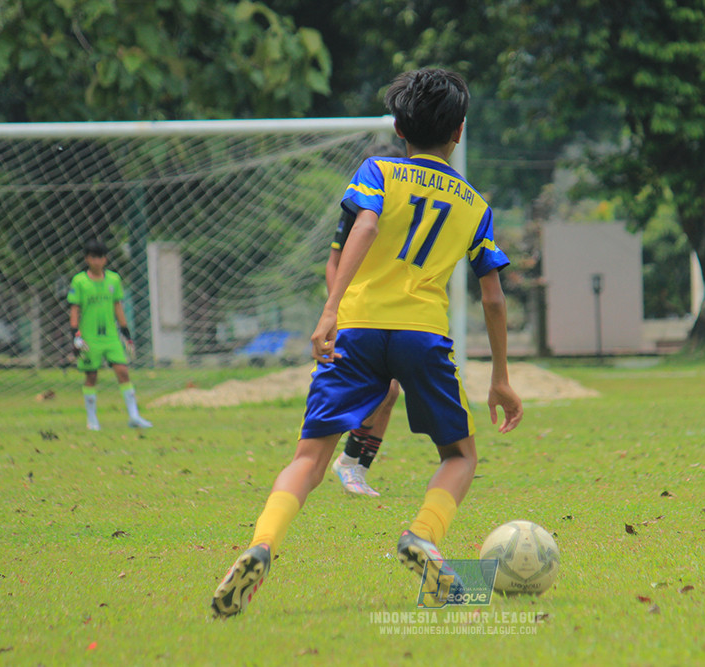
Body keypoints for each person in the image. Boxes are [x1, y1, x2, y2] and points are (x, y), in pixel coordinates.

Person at [211, 67, 523, 617]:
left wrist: (330, 309)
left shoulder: (377, 171)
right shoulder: (475, 205)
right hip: (423, 336)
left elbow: (366, 227)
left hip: (355, 331)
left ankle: (261, 545)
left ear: (399, 127)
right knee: (461, 455)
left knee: (308, 459)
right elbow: (493, 297)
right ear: (460, 131)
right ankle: (424, 535)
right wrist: (500, 376)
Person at [324, 148, 404, 498]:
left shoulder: (404, 211)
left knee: (392, 391)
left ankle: (356, 467)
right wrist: (336, 309)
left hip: (392, 309)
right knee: (381, 390)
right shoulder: (358, 211)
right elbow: (334, 262)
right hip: (358, 312)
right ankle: (343, 460)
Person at [67, 238, 153, 431]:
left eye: (100, 257)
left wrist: (126, 332)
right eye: (93, 257)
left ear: (105, 259)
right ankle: (92, 420)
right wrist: (76, 334)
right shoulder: (79, 281)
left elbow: (117, 306)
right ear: (87, 259)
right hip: (89, 338)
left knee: (123, 371)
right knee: (91, 376)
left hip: (111, 336)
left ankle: (134, 416)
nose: (97, 261)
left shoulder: (114, 279)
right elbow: (75, 309)